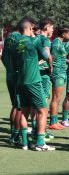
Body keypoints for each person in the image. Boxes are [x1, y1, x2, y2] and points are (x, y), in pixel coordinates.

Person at [12, 17, 55, 151]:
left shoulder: (15, 43)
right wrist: (50, 68)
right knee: (42, 110)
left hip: (20, 81)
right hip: (33, 81)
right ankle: (40, 143)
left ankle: (25, 143)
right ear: (30, 28)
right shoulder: (34, 41)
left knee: (24, 111)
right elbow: (47, 56)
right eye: (33, 29)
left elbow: (12, 63)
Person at [48, 26, 69, 130]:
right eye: (68, 33)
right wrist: (51, 69)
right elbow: (51, 58)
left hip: (62, 72)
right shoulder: (56, 43)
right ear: (63, 34)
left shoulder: (60, 43)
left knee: (58, 98)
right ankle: (53, 122)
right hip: (57, 73)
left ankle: (56, 120)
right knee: (56, 98)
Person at [1, 27, 21, 143]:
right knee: (19, 106)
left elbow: (3, 57)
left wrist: (9, 69)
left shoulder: (8, 37)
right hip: (18, 76)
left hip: (10, 75)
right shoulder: (19, 38)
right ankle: (15, 136)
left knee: (15, 104)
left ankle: (13, 132)